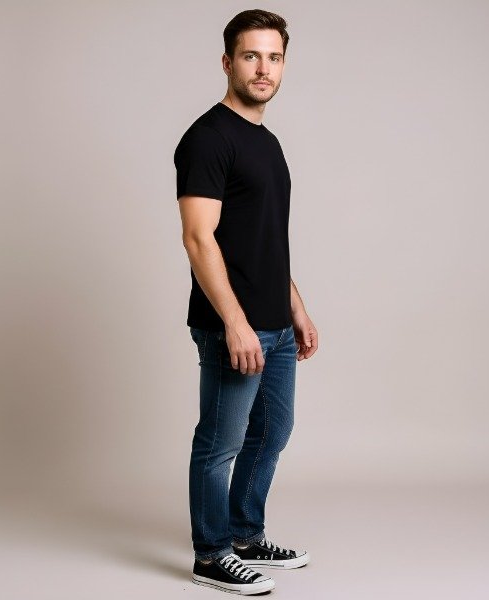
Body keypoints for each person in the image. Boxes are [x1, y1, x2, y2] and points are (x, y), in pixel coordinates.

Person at [174, 9, 318, 595]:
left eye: (274, 57)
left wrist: (295, 307)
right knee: (220, 444)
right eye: (251, 55)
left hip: (274, 323)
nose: (264, 68)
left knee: (272, 433)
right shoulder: (207, 138)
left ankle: (245, 534)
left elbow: (266, 240)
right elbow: (198, 238)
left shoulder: (268, 143)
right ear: (227, 62)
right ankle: (211, 554)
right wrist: (235, 323)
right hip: (231, 324)